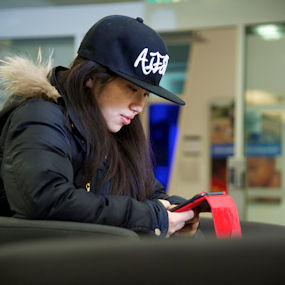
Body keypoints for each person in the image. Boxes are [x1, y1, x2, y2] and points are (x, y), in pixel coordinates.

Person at [0, 15, 199, 238]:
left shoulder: (111, 126)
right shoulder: (39, 116)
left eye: (145, 94)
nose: (139, 106)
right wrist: (150, 217)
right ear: (91, 77)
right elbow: (45, 200)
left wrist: (179, 209)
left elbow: (149, 193)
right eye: (131, 89)